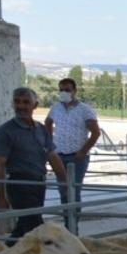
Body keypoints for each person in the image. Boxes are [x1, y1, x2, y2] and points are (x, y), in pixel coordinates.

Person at [0, 87, 68, 239]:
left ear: (35, 105)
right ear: (12, 104)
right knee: (36, 227)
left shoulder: (40, 129)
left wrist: (65, 183)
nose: (21, 106)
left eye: (26, 102)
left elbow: (52, 156)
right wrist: (0, 197)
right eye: (17, 102)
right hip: (19, 185)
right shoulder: (6, 131)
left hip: (39, 183)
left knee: (24, 229)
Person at [44, 77, 99, 227]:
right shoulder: (55, 108)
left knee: (74, 191)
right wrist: (50, 145)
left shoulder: (84, 110)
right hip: (59, 155)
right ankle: (67, 222)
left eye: (67, 89)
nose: (64, 92)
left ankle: (73, 225)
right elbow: (47, 123)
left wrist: (83, 151)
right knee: (63, 190)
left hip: (77, 157)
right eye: (61, 89)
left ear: (74, 91)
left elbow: (95, 133)